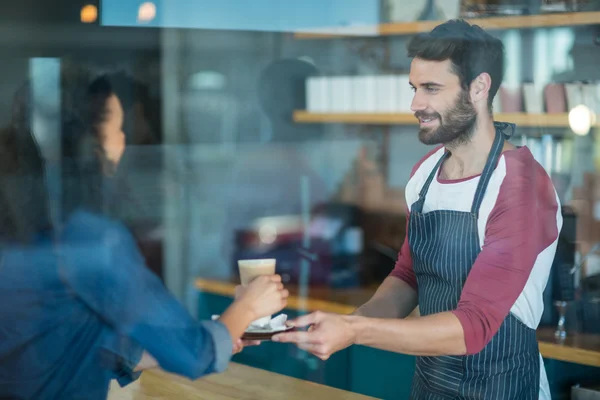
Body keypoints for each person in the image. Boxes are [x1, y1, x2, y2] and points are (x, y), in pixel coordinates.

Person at [274, 19, 561, 400]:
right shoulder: (425, 175)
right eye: (414, 88)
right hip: (430, 385)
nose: (415, 104)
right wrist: (346, 322)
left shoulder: (520, 184)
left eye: (431, 88)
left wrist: (357, 333)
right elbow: (408, 276)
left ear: (479, 87)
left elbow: (473, 325)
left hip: (504, 386)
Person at [0, 72, 289, 400]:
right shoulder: (92, 242)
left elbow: (76, 348)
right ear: (91, 142)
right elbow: (194, 355)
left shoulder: (31, 233)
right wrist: (248, 309)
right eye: (118, 129)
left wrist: (225, 328)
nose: (124, 141)